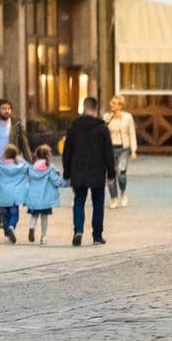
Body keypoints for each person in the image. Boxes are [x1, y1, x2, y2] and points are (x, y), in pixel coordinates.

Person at [63, 96, 115, 247]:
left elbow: (67, 151)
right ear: (96, 108)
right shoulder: (102, 128)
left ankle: (78, 230)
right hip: (97, 170)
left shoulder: (74, 126)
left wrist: (67, 172)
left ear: (83, 108)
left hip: (78, 170)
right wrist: (111, 173)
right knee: (98, 203)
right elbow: (108, 153)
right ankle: (97, 236)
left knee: (79, 201)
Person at [0, 145, 31, 243]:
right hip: (15, 197)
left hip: (2, 197)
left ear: (5, 155)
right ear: (16, 156)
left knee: (4, 216)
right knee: (14, 215)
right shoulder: (20, 167)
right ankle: (11, 227)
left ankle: (7, 234)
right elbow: (30, 170)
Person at [23, 145, 67, 244]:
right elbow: (56, 182)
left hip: (33, 198)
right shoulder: (49, 168)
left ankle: (31, 227)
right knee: (44, 217)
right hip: (45, 199)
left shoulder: (31, 168)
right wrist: (68, 183)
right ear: (47, 155)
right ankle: (43, 238)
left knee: (34, 215)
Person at [106, 96, 139, 208]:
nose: (112, 105)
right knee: (110, 175)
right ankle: (113, 197)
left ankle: (123, 192)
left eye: (114, 103)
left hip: (124, 148)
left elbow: (132, 133)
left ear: (120, 105)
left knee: (121, 173)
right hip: (110, 149)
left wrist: (133, 150)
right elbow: (102, 133)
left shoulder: (127, 117)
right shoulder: (107, 117)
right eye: (111, 103)